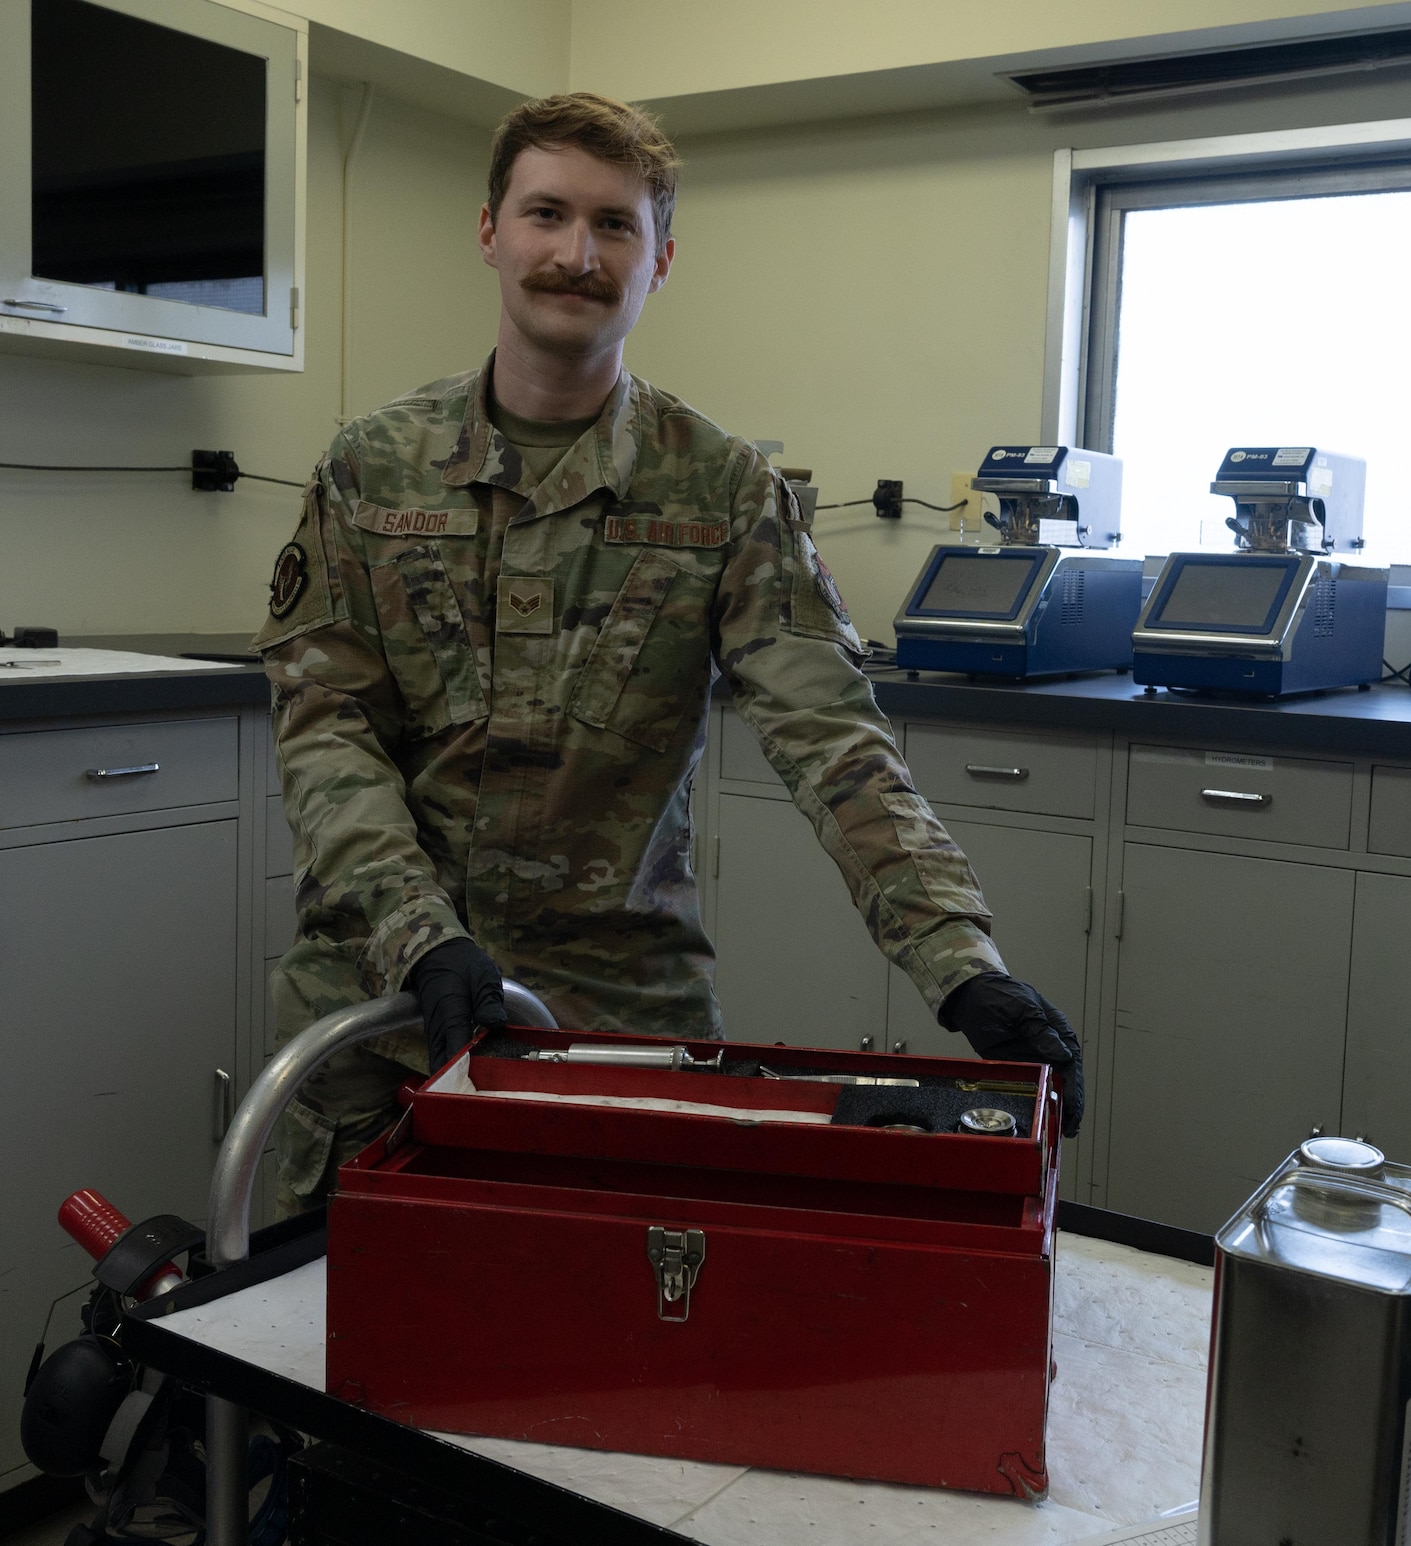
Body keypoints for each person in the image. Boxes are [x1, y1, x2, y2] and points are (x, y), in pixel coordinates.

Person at [254, 93, 1081, 1214]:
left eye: (614, 225)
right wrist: (419, 938)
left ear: (661, 259)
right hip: (384, 1008)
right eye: (545, 213)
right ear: (490, 230)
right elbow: (327, 735)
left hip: (617, 1022)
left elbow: (831, 742)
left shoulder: (723, 491)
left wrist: (959, 964)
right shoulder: (370, 471)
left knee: (622, 1351)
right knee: (325, 1353)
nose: (575, 253)